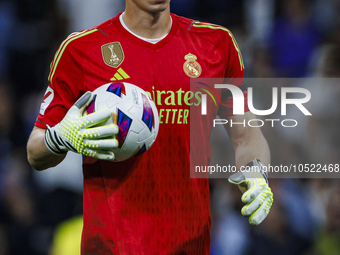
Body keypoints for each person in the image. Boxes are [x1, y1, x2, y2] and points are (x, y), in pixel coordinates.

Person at [27, 0, 273, 254]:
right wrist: (60, 138)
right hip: (112, 247)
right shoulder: (81, 50)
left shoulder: (216, 44)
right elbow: (35, 151)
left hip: (189, 244)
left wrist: (257, 172)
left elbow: (247, 136)